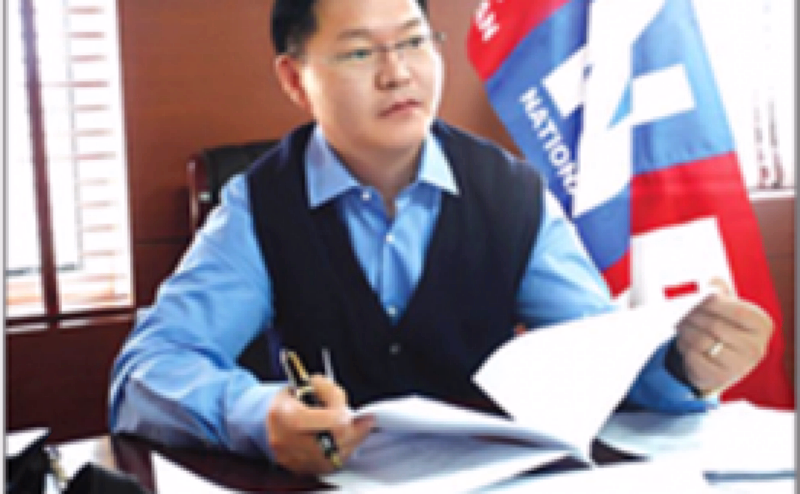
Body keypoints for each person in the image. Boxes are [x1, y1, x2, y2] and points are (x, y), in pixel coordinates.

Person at [109, 0, 773, 475]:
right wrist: (261, 417)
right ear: (295, 80)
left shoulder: (510, 193)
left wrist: (686, 366)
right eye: (360, 52)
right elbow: (147, 370)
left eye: (413, 42)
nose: (398, 73)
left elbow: (597, 356)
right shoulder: (259, 205)